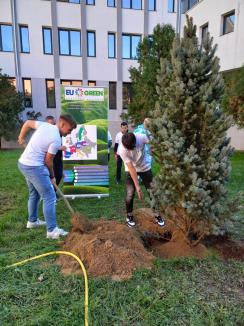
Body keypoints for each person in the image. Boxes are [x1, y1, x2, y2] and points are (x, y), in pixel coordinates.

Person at [18, 114, 77, 239]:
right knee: (50, 196)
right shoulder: (56, 138)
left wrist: (21, 136)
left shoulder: (45, 125)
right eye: (69, 130)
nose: (69, 133)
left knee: (35, 194)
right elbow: (48, 161)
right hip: (34, 167)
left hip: (24, 163)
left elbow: (28, 123)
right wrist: (52, 176)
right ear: (62, 124)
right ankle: (52, 230)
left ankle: (32, 221)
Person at [118, 132, 165, 228]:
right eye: (128, 149)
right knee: (130, 193)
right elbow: (131, 168)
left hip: (145, 167)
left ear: (135, 141)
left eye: (131, 147)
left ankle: (157, 215)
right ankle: (129, 215)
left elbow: (153, 144)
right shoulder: (121, 150)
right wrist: (137, 186)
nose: (130, 150)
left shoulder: (141, 137)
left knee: (152, 191)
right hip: (130, 169)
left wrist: (154, 150)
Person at [45, 115, 65, 186]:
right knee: (51, 176)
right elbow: (47, 146)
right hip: (50, 158)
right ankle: (51, 192)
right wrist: (59, 147)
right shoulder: (45, 133)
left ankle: (53, 191)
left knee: (59, 175)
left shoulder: (58, 132)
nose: (52, 125)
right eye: (50, 124)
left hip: (58, 158)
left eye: (53, 123)